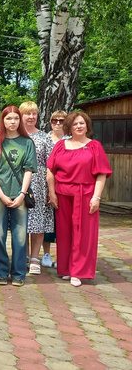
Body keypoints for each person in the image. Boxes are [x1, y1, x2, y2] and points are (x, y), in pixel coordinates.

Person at [47, 112, 111, 287]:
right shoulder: (60, 146)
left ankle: (78, 271)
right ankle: (67, 269)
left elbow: (102, 173)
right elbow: (50, 170)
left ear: (87, 126)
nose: (79, 126)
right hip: (62, 194)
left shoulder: (94, 146)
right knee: (65, 233)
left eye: (82, 123)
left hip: (85, 194)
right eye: (75, 124)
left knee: (83, 233)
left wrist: (96, 197)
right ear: (69, 127)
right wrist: (52, 193)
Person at [0, 106, 37, 287]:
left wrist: (22, 193)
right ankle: (1, 272)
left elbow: (29, 169)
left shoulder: (27, 143)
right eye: (8, 118)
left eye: (15, 118)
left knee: (20, 235)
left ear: (19, 121)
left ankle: (19, 273)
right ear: (3, 121)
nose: (12, 122)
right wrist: (1, 194)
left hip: (19, 194)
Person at [19, 101, 55, 276]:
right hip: (18, 182)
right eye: (27, 113)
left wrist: (51, 189)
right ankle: (23, 256)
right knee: (21, 220)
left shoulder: (45, 137)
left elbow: (51, 165)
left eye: (34, 113)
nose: (31, 117)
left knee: (38, 222)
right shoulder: (15, 136)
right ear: (21, 115)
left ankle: (34, 257)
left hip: (39, 183)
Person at [41, 110, 67, 268]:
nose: (57, 123)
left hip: (64, 183)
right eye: (54, 120)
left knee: (63, 222)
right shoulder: (45, 138)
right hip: (45, 183)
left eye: (61, 120)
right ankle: (46, 253)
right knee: (47, 220)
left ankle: (63, 255)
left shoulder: (70, 139)